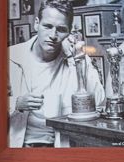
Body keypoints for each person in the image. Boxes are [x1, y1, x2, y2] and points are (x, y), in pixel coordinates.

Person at [7, 0, 105, 147]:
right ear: (36, 23)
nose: (53, 35)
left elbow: (99, 102)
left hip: (61, 146)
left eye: (61, 29)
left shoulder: (76, 59)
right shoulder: (10, 57)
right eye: (47, 26)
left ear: (70, 30)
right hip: (21, 145)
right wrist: (16, 103)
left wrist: (76, 60)